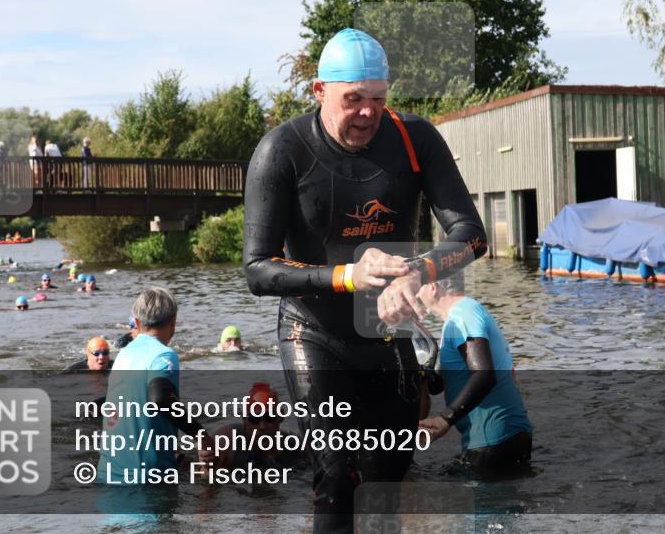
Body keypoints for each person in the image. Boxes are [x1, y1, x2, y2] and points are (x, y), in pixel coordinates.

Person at [243, 28, 487, 532]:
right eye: (352, 99)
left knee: (386, 480)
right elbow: (258, 270)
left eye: (377, 99)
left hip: (388, 335)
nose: (367, 113)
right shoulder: (282, 150)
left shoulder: (414, 138)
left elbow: (471, 235)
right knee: (335, 477)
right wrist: (347, 276)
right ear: (319, 92)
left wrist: (416, 273)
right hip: (313, 332)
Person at [96, 287, 215, 484]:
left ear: (137, 322)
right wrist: (201, 435)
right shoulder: (164, 355)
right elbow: (160, 398)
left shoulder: (123, 355)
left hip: (108, 474)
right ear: (173, 322)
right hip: (146, 482)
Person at [416, 272, 532, 473]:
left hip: (493, 440)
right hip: (502, 436)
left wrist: (444, 419)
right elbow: (440, 384)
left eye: (418, 286)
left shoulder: (463, 315)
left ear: (433, 287)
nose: (416, 294)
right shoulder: (459, 317)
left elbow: (484, 374)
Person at [209, 382, 305, 470]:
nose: (262, 426)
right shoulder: (225, 442)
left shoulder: (296, 446)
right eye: (254, 419)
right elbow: (204, 479)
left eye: (269, 417)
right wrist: (206, 467)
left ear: (281, 416)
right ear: (245, 419)